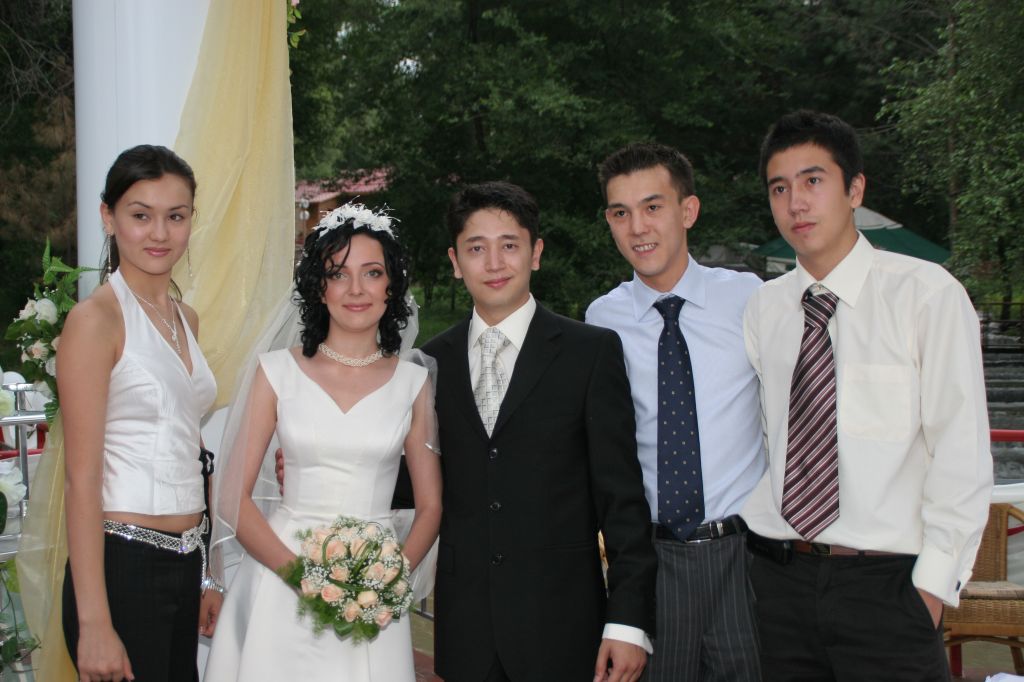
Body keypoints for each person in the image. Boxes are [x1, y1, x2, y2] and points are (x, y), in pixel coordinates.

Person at [742, 109, 993, 680]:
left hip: (889, 587)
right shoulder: (765, 308)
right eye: (779, 188)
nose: (796, 203)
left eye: (813, 180)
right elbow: (772, 436)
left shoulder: (926, 295)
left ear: (854, 189)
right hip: (780, 582)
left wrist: (929, 592)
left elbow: (961, 453)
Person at [421, 181, 657, 682]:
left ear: (536, 253)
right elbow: (420, 480)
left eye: (509, 245)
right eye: (476, 248)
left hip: (563, 625)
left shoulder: (589, 352)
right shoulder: (430, 363)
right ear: (455, 261)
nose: (494, 262)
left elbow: (621, 499)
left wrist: (628, 621)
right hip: (467, 630)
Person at [204, 204, 442, 681]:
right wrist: (303, 579)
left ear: (391, 286)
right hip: (280, 575)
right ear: (319, 286)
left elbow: (431, 506)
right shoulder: (276, 372)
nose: (356, 289)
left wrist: (388, 581)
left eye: (372, 273)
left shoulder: (413, 383)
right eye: (338, 274)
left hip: (374, 584)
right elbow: (232, 497)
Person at [587, 143, 765, 681]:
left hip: (745, 557)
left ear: (688, 210)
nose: (637, 227)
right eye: (621, 213)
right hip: (652, 559)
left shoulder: (751, 300)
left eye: (653, 207)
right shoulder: (601, 322)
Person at [58, 145, 220, 682]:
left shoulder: (186, 319)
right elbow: (81, 479)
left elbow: (190, 449)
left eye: (176, 216)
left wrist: (205, 574)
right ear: (108, 217)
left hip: (186, 561)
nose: (160, 233)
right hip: (121, 566)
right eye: (141, 215)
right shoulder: (95, 321)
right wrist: (94, 623)